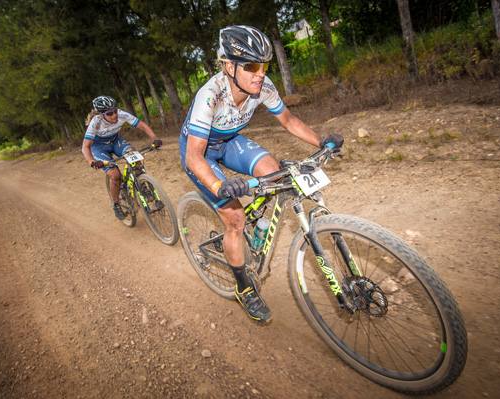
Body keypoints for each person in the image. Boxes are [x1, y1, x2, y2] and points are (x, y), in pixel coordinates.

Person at [179, 25, 344, 323]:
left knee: (277, 174)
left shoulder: (263, 86)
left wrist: (322, 142)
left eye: (264, 65)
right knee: (235, 218)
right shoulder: (211, 95)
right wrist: (220, 186)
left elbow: (288, 119)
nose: (260, 73)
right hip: (200, 151)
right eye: (252, 66)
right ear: (229, 66)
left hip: (229, 141)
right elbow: (193, 156)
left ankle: (258, 224)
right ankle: (244, 289)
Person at [82, 95, 162, 220]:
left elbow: (143, 126)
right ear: (101, 115)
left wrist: (155, 139)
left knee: (133, 155)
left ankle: (143, 186)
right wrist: (92, 161)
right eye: (109, 113)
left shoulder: (121, 114)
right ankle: (116, 204)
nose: (114, 115)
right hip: (99, 148)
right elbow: (85, 147)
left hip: (115, 142)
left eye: (115, 110)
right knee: (115, 176)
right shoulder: (96, 123)